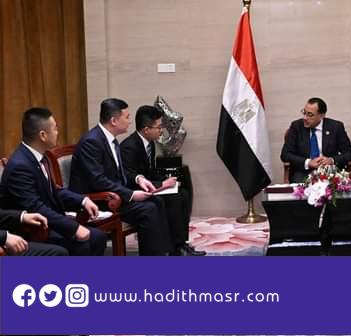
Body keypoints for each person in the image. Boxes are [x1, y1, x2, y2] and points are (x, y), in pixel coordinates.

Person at [70, 98, 172, 256]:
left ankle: (165, 253)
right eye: (127, 117)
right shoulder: (92, 142)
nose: (130, 121)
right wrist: (130, 194)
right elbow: (97, 180)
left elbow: (119, 172)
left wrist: (139, 179)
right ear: (114, 121)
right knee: (148, 209)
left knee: (157, 201)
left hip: (115, 194)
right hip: (99, 201)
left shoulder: (110, 139)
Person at [0, 108, 107, 255]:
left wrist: (82, 200)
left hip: (48, 221)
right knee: (86, 240)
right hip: (34, 230)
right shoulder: (20, 165)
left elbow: (52, 190)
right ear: (43, 135)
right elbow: (35, 206)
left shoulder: (39, 157)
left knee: (97, 237)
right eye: (55, 128)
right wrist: (74, 228)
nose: (57, 133)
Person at [120, 105, 204, 256]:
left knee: (183, 193)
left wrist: (167, 181)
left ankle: (180, 244)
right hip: (135, 192)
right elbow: (129, 178)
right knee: (174, 198)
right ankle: (174, 248)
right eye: (159, 127)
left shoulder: (150, 143)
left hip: (149, 186)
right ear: (146, 129)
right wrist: (161, 185)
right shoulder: (129, 147)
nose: (161, 131)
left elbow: (150, 171)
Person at [280, 97, 351, 183]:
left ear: (321, 115)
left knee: (335, 186)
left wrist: (331, 160)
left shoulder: (336, 127)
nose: (305, 118)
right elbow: (285, 154)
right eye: (304, 113)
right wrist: (308, 162)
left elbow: (349, 153)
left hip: (330, 172)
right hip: (303, 173)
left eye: (310, 115)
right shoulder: (296, 127)